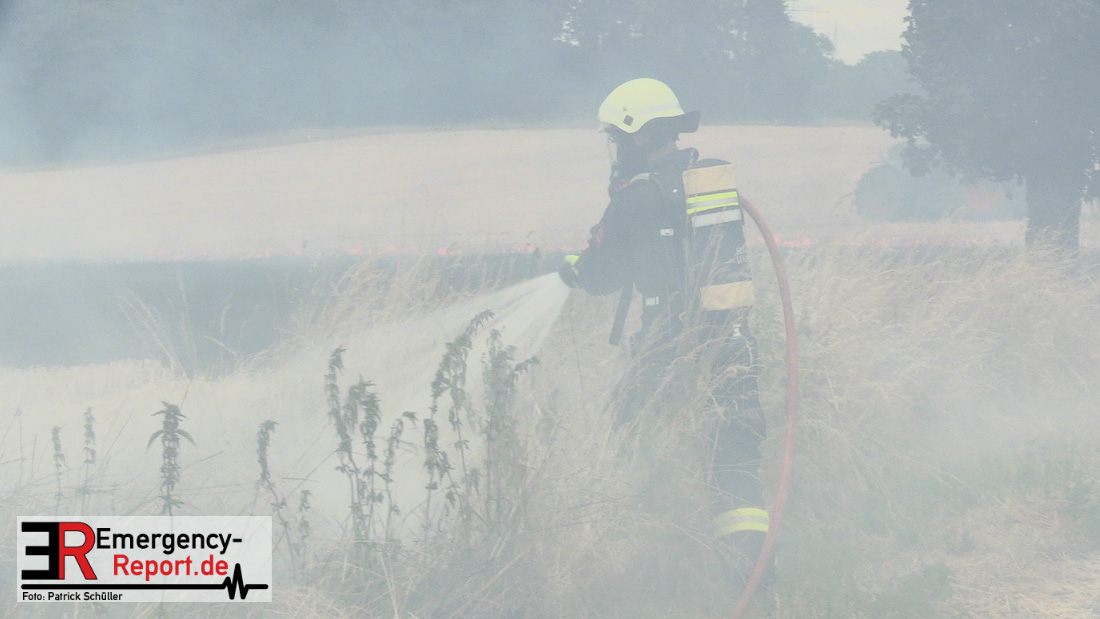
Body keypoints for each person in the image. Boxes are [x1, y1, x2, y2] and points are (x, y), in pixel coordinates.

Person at [558, 78, 770, 581]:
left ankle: (658, 568)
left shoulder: (635, 198)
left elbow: (602, 277)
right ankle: (755, 578)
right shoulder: (709, 184)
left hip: (666, 346)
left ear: (637, 136)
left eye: (616, 137)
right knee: (735, 458)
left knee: (640, 442)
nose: (615, 149)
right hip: (732, 341)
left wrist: (572, 267)